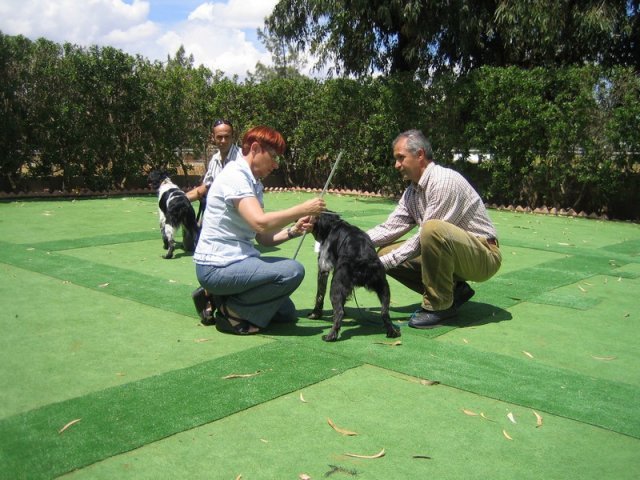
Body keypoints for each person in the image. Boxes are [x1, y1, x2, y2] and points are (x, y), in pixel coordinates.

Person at [193, 125, 327, 335]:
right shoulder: (235, 176)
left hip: (239, 262)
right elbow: (260, 222)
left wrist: (293, 230)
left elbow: (263, 237)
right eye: (273, 157)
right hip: (216, 266)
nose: (275, 165)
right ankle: (230, 314)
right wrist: (302, 209)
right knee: (293, 271)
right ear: (255, 149)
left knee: (286, 313)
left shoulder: (254, 183)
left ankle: (216, 297)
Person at [366, 129, 502, 328]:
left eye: (400, 158)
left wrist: (377, 265)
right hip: (456, 255)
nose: (396, 165)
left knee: (432, 229)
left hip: (483, 255)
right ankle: (454, 291)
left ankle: (439, 306)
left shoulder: (443, 181)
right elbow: (390, 227)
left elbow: (424, 237)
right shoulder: (412, 191)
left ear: (420, 155)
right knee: (386, 251)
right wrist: (349, 244)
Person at [189, 119, 242, 323]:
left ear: (233, 136)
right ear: (213, 137)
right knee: (211, 261)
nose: (222, 140)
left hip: (234, 221)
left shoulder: (240, 160)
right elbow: (207, 186)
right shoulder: (214, 160)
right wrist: (182, 199)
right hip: (214, 219)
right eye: (219, 136)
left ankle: (210, 298)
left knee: (230, 264)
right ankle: (209, 300)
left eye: (226, 136)